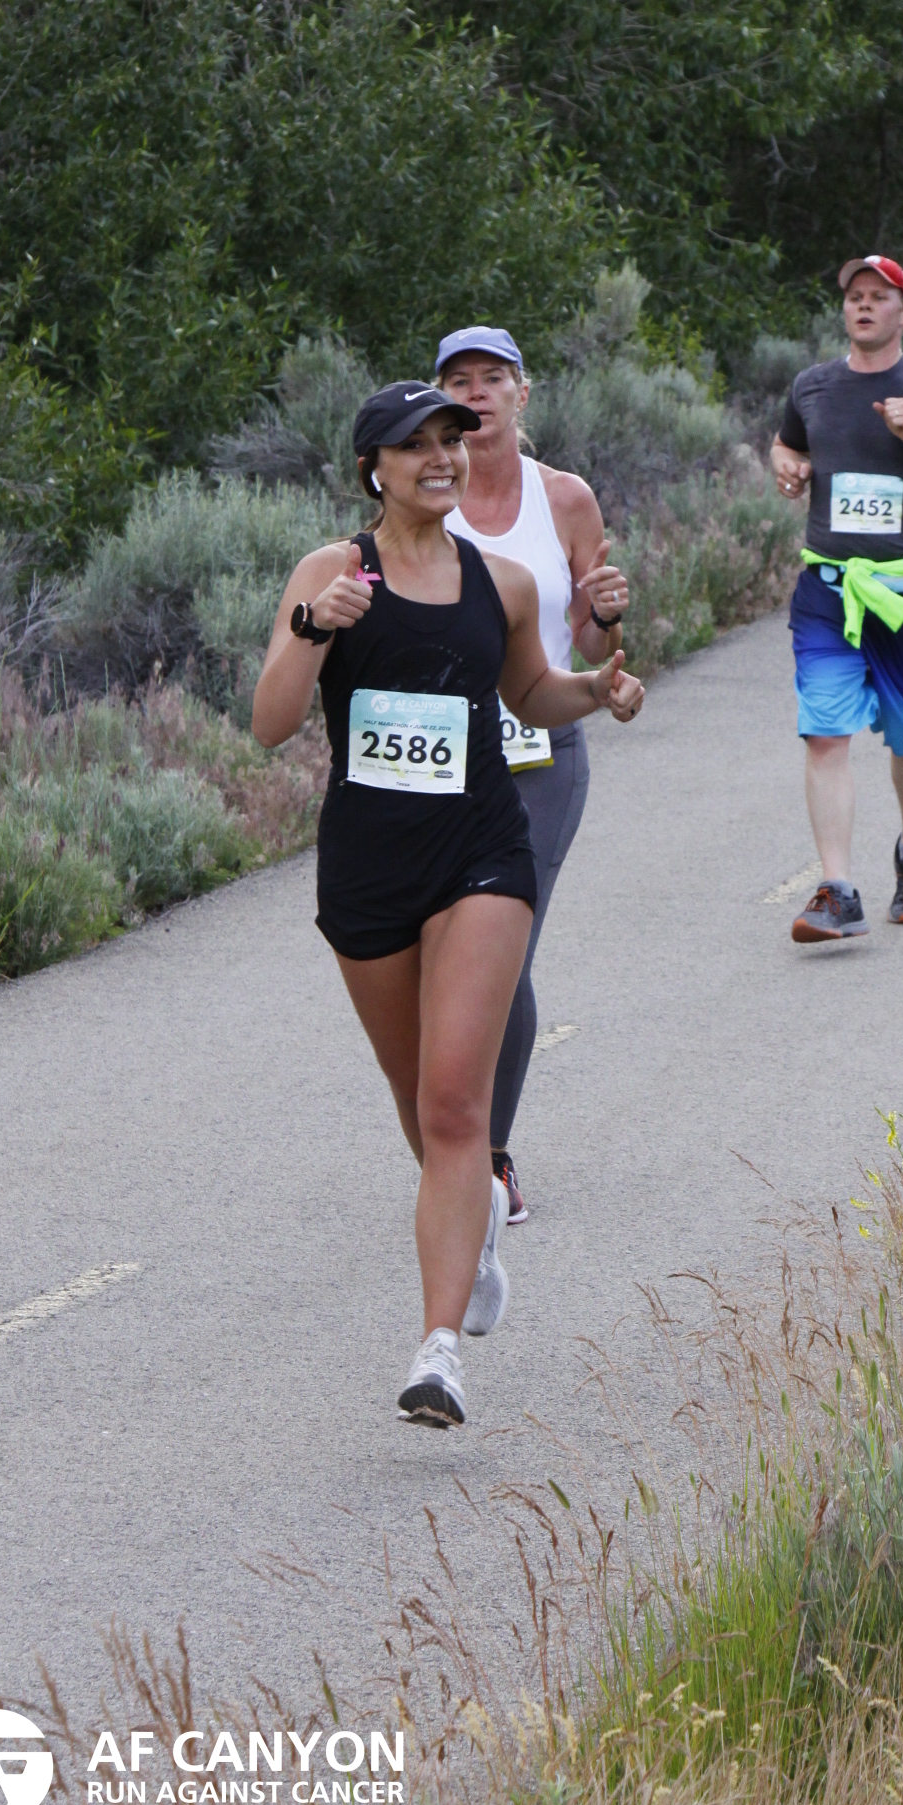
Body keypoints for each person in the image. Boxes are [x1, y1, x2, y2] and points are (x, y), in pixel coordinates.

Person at [251, 382, 644, 1429]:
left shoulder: (498, 581)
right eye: (415, 445)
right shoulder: (332, 574)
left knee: (458, 1107)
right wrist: (312, 629)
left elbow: (532, 693)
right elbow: (269, 723)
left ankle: (438, 1352)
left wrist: (596, 690)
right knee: (420, 1106)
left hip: (481, 852)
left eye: (451, 441)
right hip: (369, 869)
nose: (441, 458)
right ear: (371, 469)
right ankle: (472, 1229)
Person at [434, 325, 630, 1226]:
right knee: (436, 956)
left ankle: (491, 1158)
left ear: (522, 393)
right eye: (459, 382)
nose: (476, 394)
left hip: (541, 755)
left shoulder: (564, 498)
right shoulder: (423, 493)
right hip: (441, 755)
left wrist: (605, 615)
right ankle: (448, 1139)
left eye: (492, 379)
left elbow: (589, 638)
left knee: (502, 954)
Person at [770, 255, 903, 941]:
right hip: (829, 590)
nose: (863, 305)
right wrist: (789, 468)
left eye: (878, 296)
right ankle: (837, 888)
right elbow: (784, 445)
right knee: (824, 733)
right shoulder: (813, 386)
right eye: (854, 296)